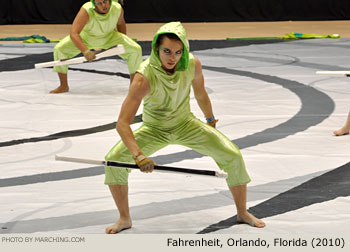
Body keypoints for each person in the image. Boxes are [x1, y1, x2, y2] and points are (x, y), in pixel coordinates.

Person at [104, 22, 266, 234]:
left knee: (233, 155)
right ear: (156, 49)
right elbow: (122, 123)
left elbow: (200, 94)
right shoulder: (143, 77)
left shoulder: (192, 64)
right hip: (154, 129)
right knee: (113, 163)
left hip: (186, 124)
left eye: (178, 52)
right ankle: (124, 218)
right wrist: (138, 155)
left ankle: (242, 212)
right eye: (167, 51)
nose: (172, 58)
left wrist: (211, 122)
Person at [50, 0, 141, 93]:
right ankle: (63, 85)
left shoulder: (117, 8)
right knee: (59, 49)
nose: (104, 5)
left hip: (109, 37)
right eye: (99, 3)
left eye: (105, 1)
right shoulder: (86, 10)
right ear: (94, 4)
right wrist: (85, 51)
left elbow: (120, 23)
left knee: (135, 49)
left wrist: (121, 44)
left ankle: (134, 85)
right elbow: (74, 33)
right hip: (86, 38)